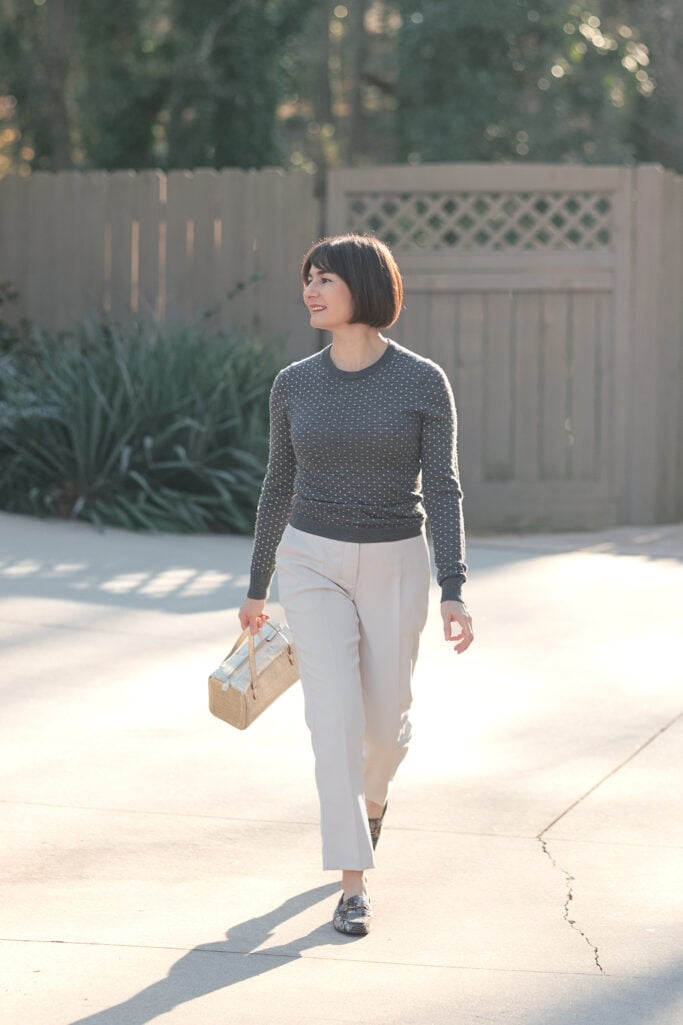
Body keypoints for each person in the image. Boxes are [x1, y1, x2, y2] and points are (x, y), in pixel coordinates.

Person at [238, 233, 473, 937]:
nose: (310, 289)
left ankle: (372, 802)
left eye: (325, 279)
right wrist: (257, 584)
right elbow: (278, 482)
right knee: (332, 719)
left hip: (396, 558)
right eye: (306, 277)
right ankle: (351, 880)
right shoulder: (292, 384)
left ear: (364, 288)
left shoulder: (422, 381)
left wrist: (453, 584)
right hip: (310, 560)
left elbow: (445, 487)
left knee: (383, 728)